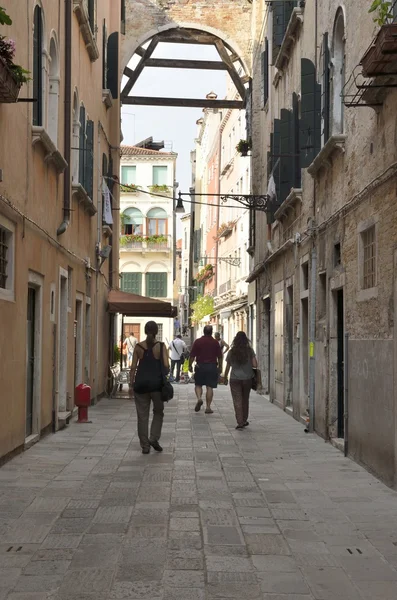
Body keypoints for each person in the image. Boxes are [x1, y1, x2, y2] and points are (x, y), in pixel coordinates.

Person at [130, 321, 169, 454]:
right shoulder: (161, 346)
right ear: (156, 332)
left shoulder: (138, 347)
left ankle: (145, 446)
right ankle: (154, 437)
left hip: (140, 384)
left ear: (145, 331)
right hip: (157, 385)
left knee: (142, 416)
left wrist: (131, 383)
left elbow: (133, 367)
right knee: (158, 412)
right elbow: (166, 365)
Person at [224, 331, 257, 430]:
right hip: (247, 379)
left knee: (237, 400)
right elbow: (255, 365)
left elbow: (228, 366)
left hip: (234, 379)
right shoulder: (249, 351)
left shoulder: (232, 351)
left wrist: (225, 377)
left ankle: (240, 421)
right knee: (245, 399)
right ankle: (244, 419)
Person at [189, 325, 223, 414]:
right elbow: (220, 356)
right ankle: (208, 407)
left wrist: (189, 365)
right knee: (209, 387)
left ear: (203, 332)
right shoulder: (215, 342)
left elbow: (192, 356)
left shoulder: (198, 341)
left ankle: (199, 399)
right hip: (212, 366)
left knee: (198, 385)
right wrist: (220, 366)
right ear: (211, 332)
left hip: (200, 366)